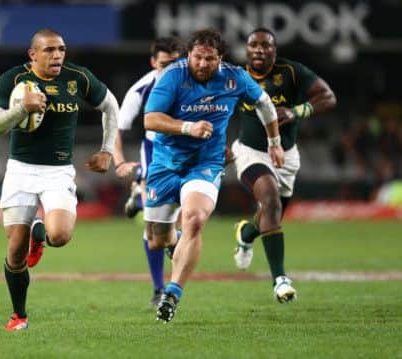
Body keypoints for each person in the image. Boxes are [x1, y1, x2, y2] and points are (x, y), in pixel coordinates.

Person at [143, 28, 285, 322]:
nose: (203, 64)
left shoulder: (235, 78)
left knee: (195, 219)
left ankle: (172, 293)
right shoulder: (173, 75)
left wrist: (274, 143)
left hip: (205, 163)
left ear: (220, 58)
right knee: (157, 239)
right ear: (189, 55)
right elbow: (151, 119)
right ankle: (176, 241)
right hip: (165, 165)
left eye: (210, 59)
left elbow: (266, 106)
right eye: (198, 57)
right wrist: (187, 127)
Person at [0, 28, 118, 331]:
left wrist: (107, 150)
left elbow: (110, 105)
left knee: (60, 236)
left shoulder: (78, 78)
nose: (57, 55)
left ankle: (40, 233)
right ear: (33, 54)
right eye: (49, 50)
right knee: (15, 251)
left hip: (58, 171)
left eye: (61, 49)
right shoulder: (12, 80)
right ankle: (19, 316)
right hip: (20, 170)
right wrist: (21, 109)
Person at [230, 28, 336, 302]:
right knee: (270, 200)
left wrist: (295, 111)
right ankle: (280, 280)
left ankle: (246, 232)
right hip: (251, 152)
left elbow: (328, 97)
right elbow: (219, 110)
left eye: (266, 46)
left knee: (271, 214)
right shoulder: (237, 78)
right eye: (254, 44)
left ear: (274, 52)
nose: (259, 50)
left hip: (287, 156)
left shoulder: (290, 72)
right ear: (247, 49)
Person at [112, 37, 183, 306]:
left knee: (181, 220)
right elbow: (117, 129)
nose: (170, 69)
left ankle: (139, 196)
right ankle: (158, 288)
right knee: (156, 230)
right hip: (156, 152)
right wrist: (119, 162)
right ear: (154, 63)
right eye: (165, 64)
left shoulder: (194, 81)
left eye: (176, 62)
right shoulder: (141, 89)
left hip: (189, 152)